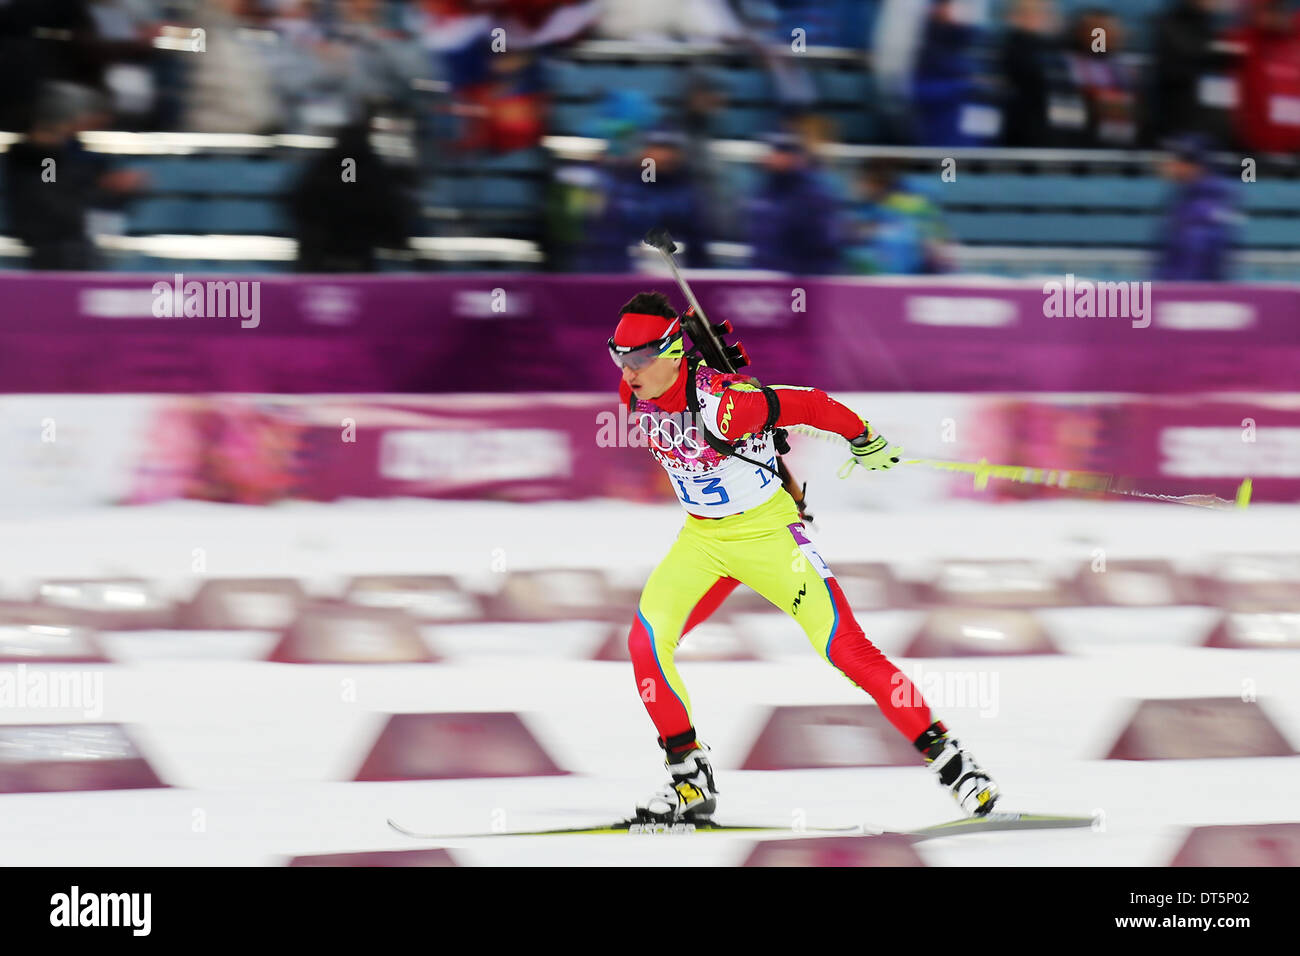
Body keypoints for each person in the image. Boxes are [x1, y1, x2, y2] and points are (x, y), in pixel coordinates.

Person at [609, 291, 1001, 824]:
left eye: (638, 358)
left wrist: (862, 438)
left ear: (674, 351)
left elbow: (812, 403)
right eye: (619, 357)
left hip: (770, 539)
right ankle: (689, 779)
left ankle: (954, 764)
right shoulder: (636, 393)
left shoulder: (728, 404)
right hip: (702, 542)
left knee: (846, 650)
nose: (627, 372)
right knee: (645, 643)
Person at [1154, 132, 1237, 281]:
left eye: (1175, 160)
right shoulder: (1187, 199)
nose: (1168, 165)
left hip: (1189, 296)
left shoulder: (1203, 207)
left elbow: (1193, 268)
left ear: (1193, 165)